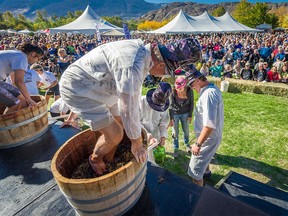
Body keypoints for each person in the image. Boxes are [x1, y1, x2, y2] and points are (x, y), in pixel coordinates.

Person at [59, 38, 201, 175]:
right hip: (79, 90)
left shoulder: (142, 54)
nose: (161, 77)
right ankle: (95, 159)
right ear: (161, 65)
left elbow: (127, 104)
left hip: (101, 88)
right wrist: (136, 143)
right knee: (116, 133)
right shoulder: (133, 66)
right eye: (165, 73)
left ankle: (109, 160)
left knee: (119, 124)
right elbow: (128, 107)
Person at [185, 67, 224, 187]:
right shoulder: (211, 89)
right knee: (204, 160)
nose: (191, 88)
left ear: (198, 80)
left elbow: (209, 125)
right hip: (210, 137)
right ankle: (206, 173)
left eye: (191, 85)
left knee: (194, 172)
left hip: (208, 139)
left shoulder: (208, 95)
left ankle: (198, 197)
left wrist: (198, 144)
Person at [0, 43, 43, 114]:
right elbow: (19, 81)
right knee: (15, 103)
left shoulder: (16, 54)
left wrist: (26, 98)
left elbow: (14, 77)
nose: (37, 61)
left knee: (21, 97)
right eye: (38, 58)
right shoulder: (22, 57)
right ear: (33, 54)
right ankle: (6, 124)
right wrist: (29, 99)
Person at [139, 82, 172, 163]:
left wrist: (163, 135)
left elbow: (163, 122)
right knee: (142, 157)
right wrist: (147, 135)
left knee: (152, 157)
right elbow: (136, 122)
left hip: (155, 133)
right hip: (140, 133)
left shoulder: (164, 105)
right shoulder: (140, 102)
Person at [169, 76, 194, 158]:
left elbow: (191, 103)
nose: (178, 90)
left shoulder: (189, 91)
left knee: (186, 130)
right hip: (175, 114)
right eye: (177, 89)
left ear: (184, 87)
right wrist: (171, 118)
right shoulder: (173, 91)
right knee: (175, 132)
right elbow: (171, 105)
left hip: (185, 113)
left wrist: (190, 115)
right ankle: (176, 148)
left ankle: (187, 144)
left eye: (180, 89)